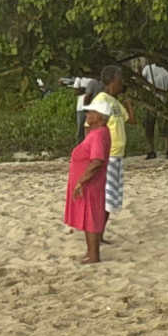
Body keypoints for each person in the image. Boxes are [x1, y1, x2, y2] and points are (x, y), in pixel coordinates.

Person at [65, 101, 111, 262]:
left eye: (90, 112)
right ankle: (91, 252)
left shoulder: (99, 134)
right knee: (89, 215)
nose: (87, 115)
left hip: (91, 183)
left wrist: (81, 181)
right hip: (92, 182)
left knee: (91, 216)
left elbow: (97, 160)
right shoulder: (98, 131)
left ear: (99, 116)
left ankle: (93, 255)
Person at [89, 65, 131, 224]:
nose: (122, 83)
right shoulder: (100, 100)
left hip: (117, 154)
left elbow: (130, 120)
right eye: (120, 80)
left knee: (110, 199)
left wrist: (129, 104)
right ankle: (97, 234)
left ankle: (100, 233)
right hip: (108, 155)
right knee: (104, 198)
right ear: (112, 81)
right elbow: (90, 129)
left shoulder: (114, 102)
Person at [138, 59, 168, 158]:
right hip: (150, 102)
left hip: (163, 102)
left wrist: (166, 104)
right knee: (148, 127)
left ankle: (167, 150)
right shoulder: (148, 68)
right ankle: (151, 150)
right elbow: (142, 82)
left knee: (165, 128)